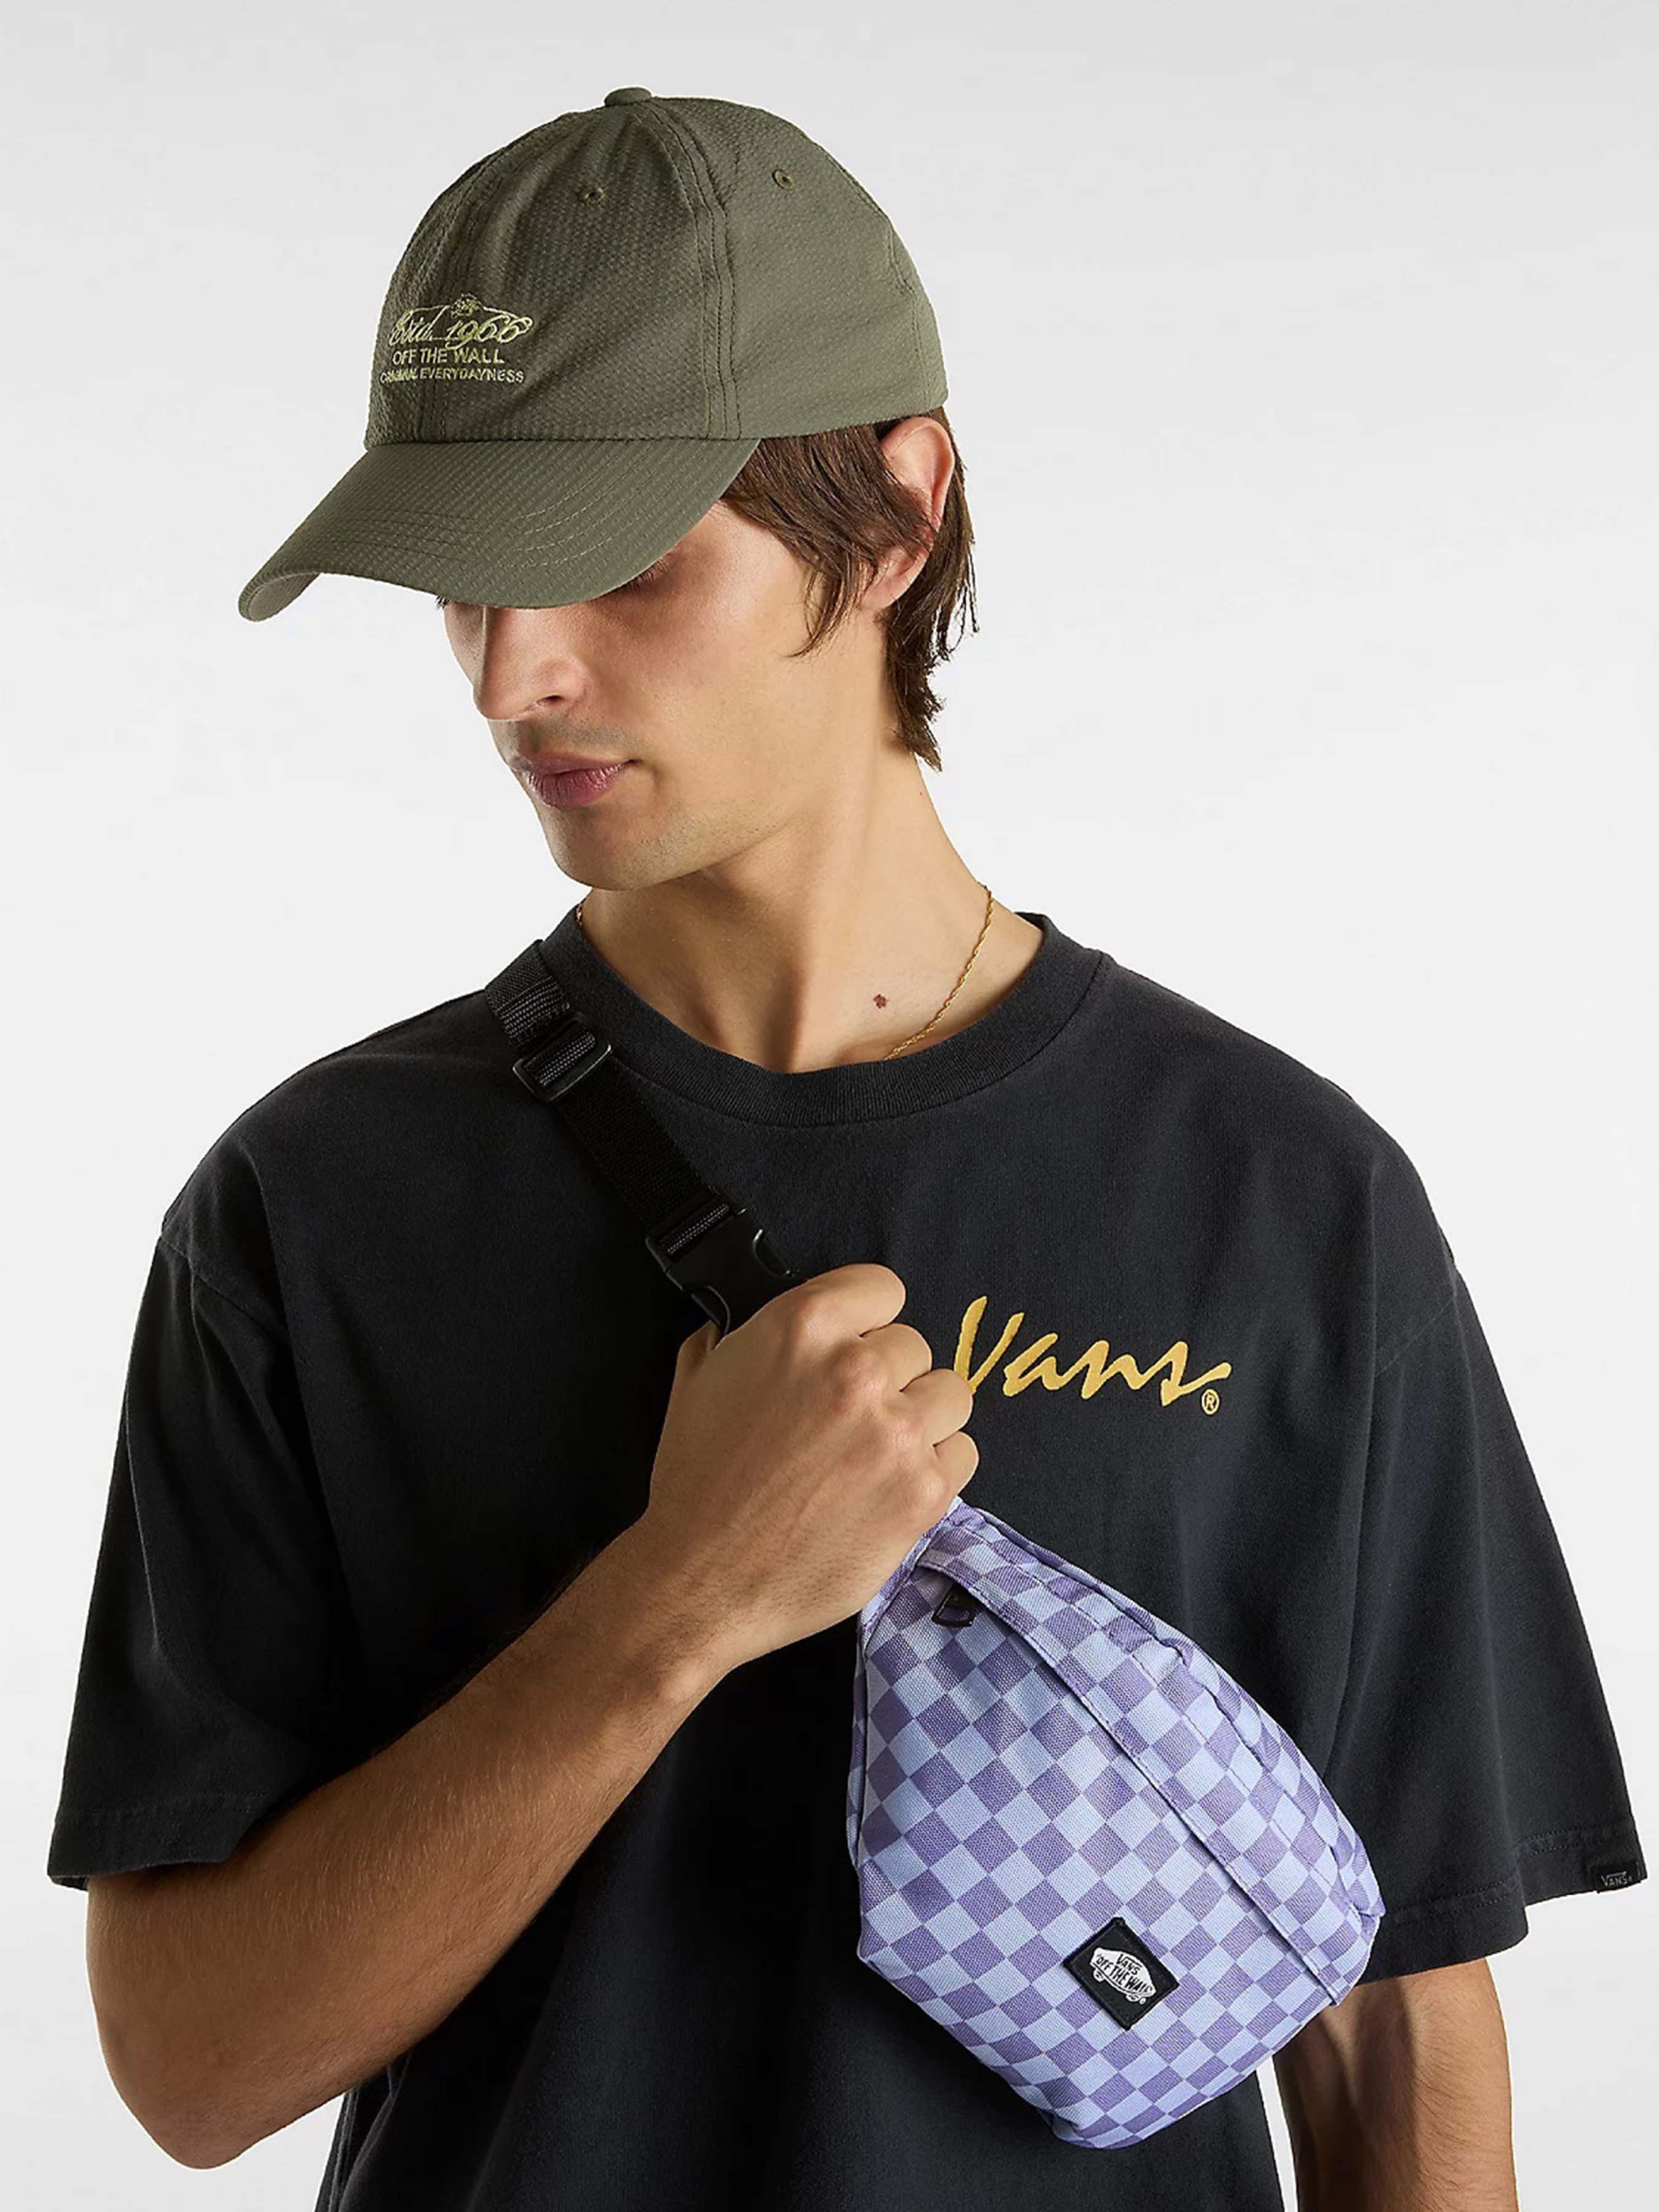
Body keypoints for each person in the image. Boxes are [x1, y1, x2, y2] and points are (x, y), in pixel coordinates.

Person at [47, 85, 1644, 2212]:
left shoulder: (1281, 1198)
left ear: (896, 511)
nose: (514, 672)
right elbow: (189, 2067)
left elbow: (1395, 2023)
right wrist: (674, 1603)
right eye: (462, 579)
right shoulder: (314, 1205)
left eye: (620, 562)